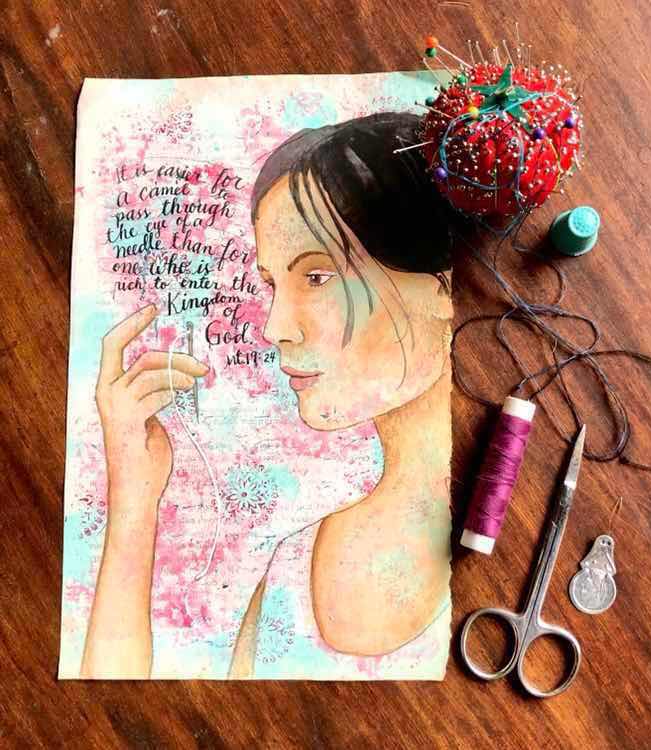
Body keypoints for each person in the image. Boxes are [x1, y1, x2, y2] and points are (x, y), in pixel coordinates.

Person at [81, 113, 459, 678]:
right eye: (272, 284)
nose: (275, 326)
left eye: (317, 276)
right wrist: (134, 498)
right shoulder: (296, 567)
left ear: (441, 286)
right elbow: (105, 707)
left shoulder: (512, 515)